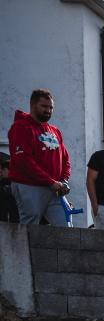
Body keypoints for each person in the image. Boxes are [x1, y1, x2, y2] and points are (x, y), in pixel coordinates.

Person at [7, 88, 72, 226]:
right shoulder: (20, 127)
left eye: (51, 107)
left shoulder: (54, 131)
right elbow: (23, 161)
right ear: (32, 105)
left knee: (66, 225)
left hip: (54, 188)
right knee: (30, 227)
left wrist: (64, 180)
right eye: (44, 106)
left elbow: (65, 159)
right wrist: (50, 181)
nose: (48, 110)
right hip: (28, 185)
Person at [0, 153, 19, 223]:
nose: (1, 171)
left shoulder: (14, 183)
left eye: (3, 169)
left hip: (12, 217)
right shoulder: (3, 182)